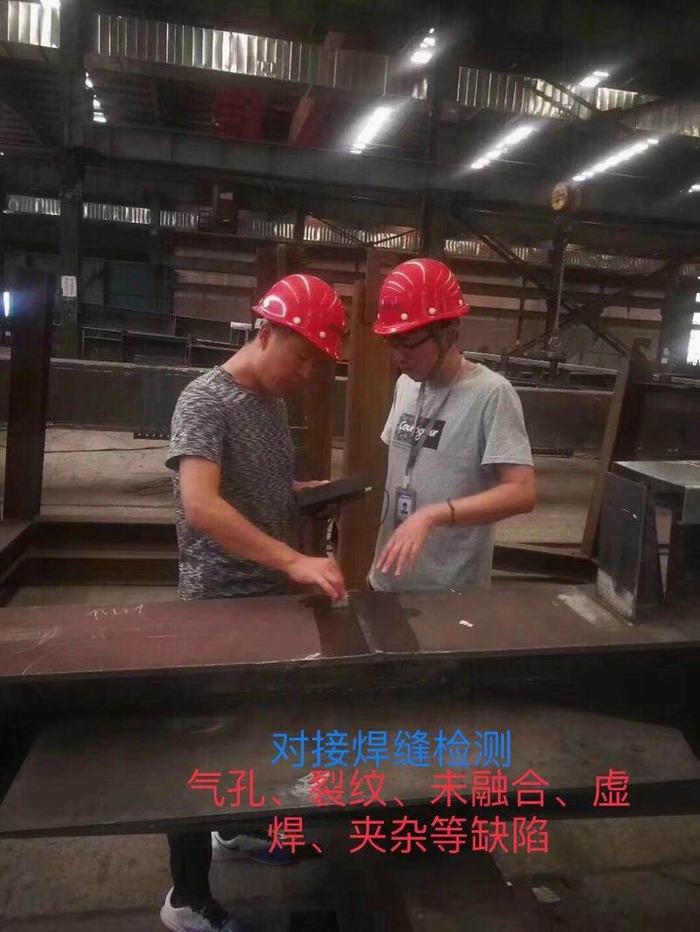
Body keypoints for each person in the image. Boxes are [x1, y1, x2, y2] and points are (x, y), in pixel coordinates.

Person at [161, 273, 348, 932]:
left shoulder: (268, 404)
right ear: (266, 331)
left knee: (253, 739)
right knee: (198, 751)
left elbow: (248, 486)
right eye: (302, 357)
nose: (307, 374)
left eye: (317, 364)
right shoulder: (203, 400)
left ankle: (234, 829)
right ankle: (186, 899)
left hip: (266, 602)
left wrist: (298, 493)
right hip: (218, 604)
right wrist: (295, 559)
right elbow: (201, 504)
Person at [369, 258, 536, 592]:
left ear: (449, 334)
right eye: (392, 342)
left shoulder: (491, 394)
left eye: (409, 342)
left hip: (450, 594)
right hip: (387, 583)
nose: (398, 356)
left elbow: (522, 492)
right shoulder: (406, 385)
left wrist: (433, 515)